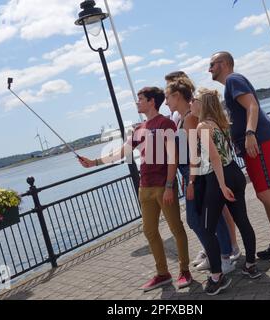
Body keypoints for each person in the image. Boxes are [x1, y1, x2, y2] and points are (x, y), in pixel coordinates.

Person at [79, 87, 192, 291]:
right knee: (149, 231)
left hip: (163, 186)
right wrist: (94, 162)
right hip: (145, 187)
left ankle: (184, 271)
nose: (137, 102)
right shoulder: (140, 127)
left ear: (151, 101)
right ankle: (162, 273)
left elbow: (173, 156)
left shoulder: (165, 123)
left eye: (140, 99)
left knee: (176, 228)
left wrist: (168, 185)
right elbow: (122, 152)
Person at [209, 51, 270, 268]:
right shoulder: (231, 85)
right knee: (264, 195)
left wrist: (250, 134)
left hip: (258, 142)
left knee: (265, 193)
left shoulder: (233, 80)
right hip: (254, 143)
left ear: (223, 64)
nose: (209, 69)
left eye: (212, 64)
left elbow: (252, 105)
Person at [165, 71, 241, 269]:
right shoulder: (183, 118)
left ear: (177, 96)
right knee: (205, 219)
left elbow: (196, 153)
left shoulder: (190, 119)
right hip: (192, 173)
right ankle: (217, 253)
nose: (166, 102)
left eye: (167, 97)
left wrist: (191, 180)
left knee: (201, 219)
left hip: (196, 174)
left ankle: (223, 254)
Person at [190, 88, 260, 296]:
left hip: (219, 179)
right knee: (242, 220)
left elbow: (214, 158)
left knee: (207, 229)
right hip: (235, 173)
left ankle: (217, 277)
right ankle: (250, 265)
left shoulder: (203, 126)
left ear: (202, 103)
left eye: (193, 100)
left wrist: (221, 186)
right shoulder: (221, 123)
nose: (191, 103)